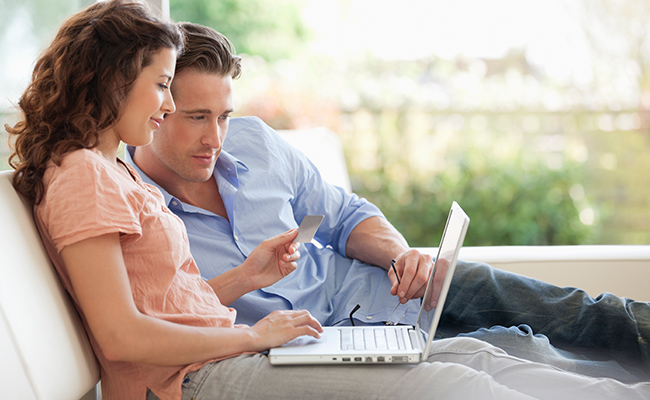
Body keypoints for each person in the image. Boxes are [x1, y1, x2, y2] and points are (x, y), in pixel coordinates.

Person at [8, 1, 650, 399]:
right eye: (169, 94)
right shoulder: (96, 178)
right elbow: (124, 335)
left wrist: (263, 275)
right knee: (464, 376)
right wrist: (253, 332)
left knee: (507, 343)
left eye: (218, 112)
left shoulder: (116, 169)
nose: (180, 112)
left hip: (355, 298)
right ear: (117, 83)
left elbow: (340, 216)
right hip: (246, 354)